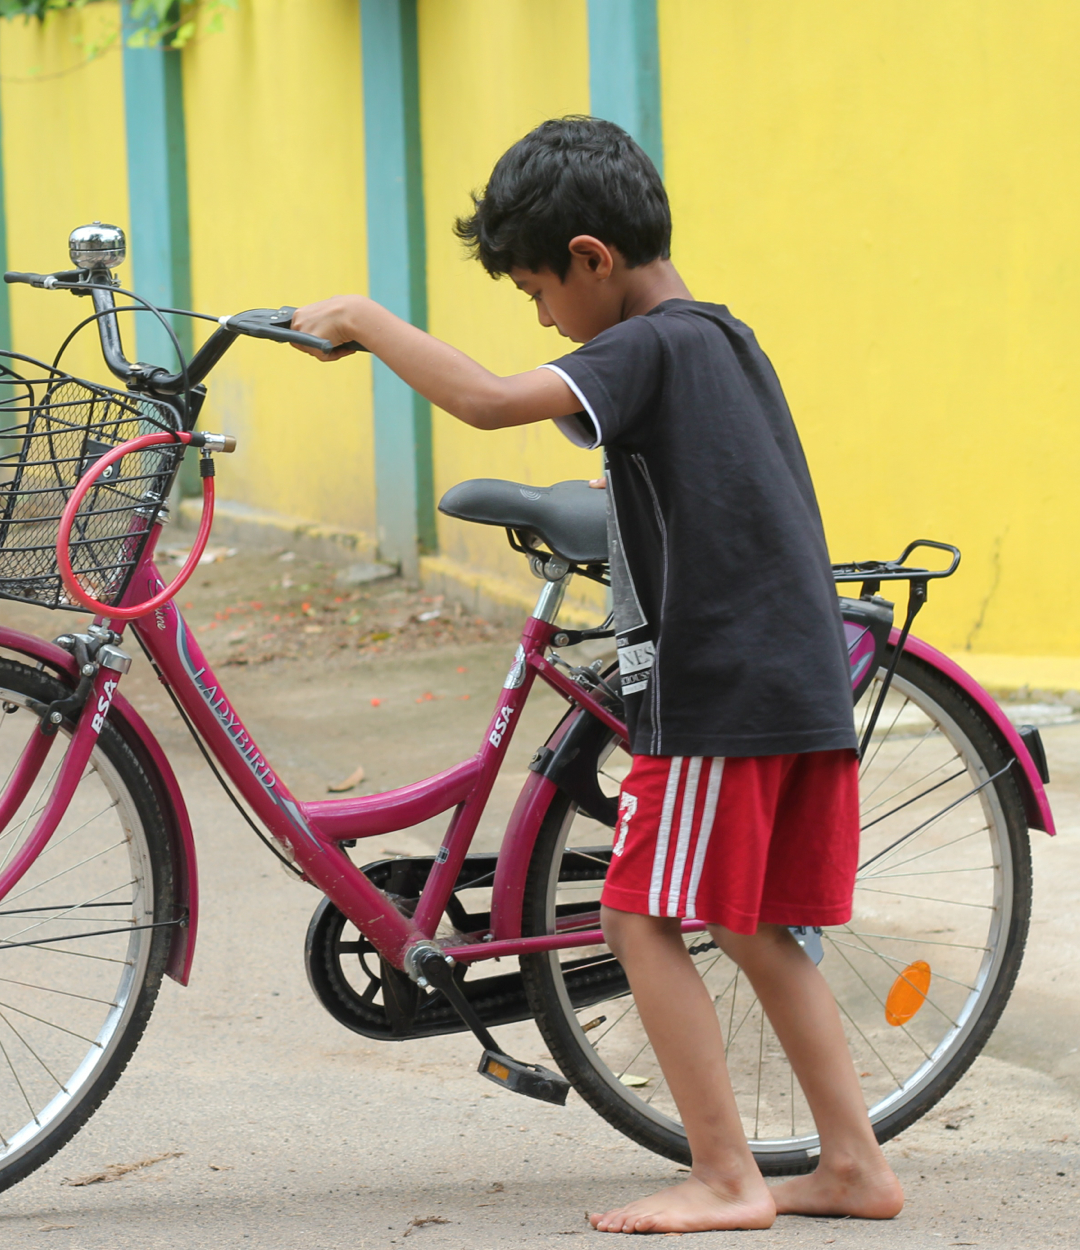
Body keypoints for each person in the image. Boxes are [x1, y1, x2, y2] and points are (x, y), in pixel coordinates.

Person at [289, 116, 906, 1235]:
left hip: (719, 688)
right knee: (753, 923)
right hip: (786, 672)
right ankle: (854, 1164)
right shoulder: (719, 336)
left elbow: (484, 400)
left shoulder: (645, 347)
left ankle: (724, 1175)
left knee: (634, 917)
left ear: (590, 257)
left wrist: (367, 321)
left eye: (536, 291)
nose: (539, 318)